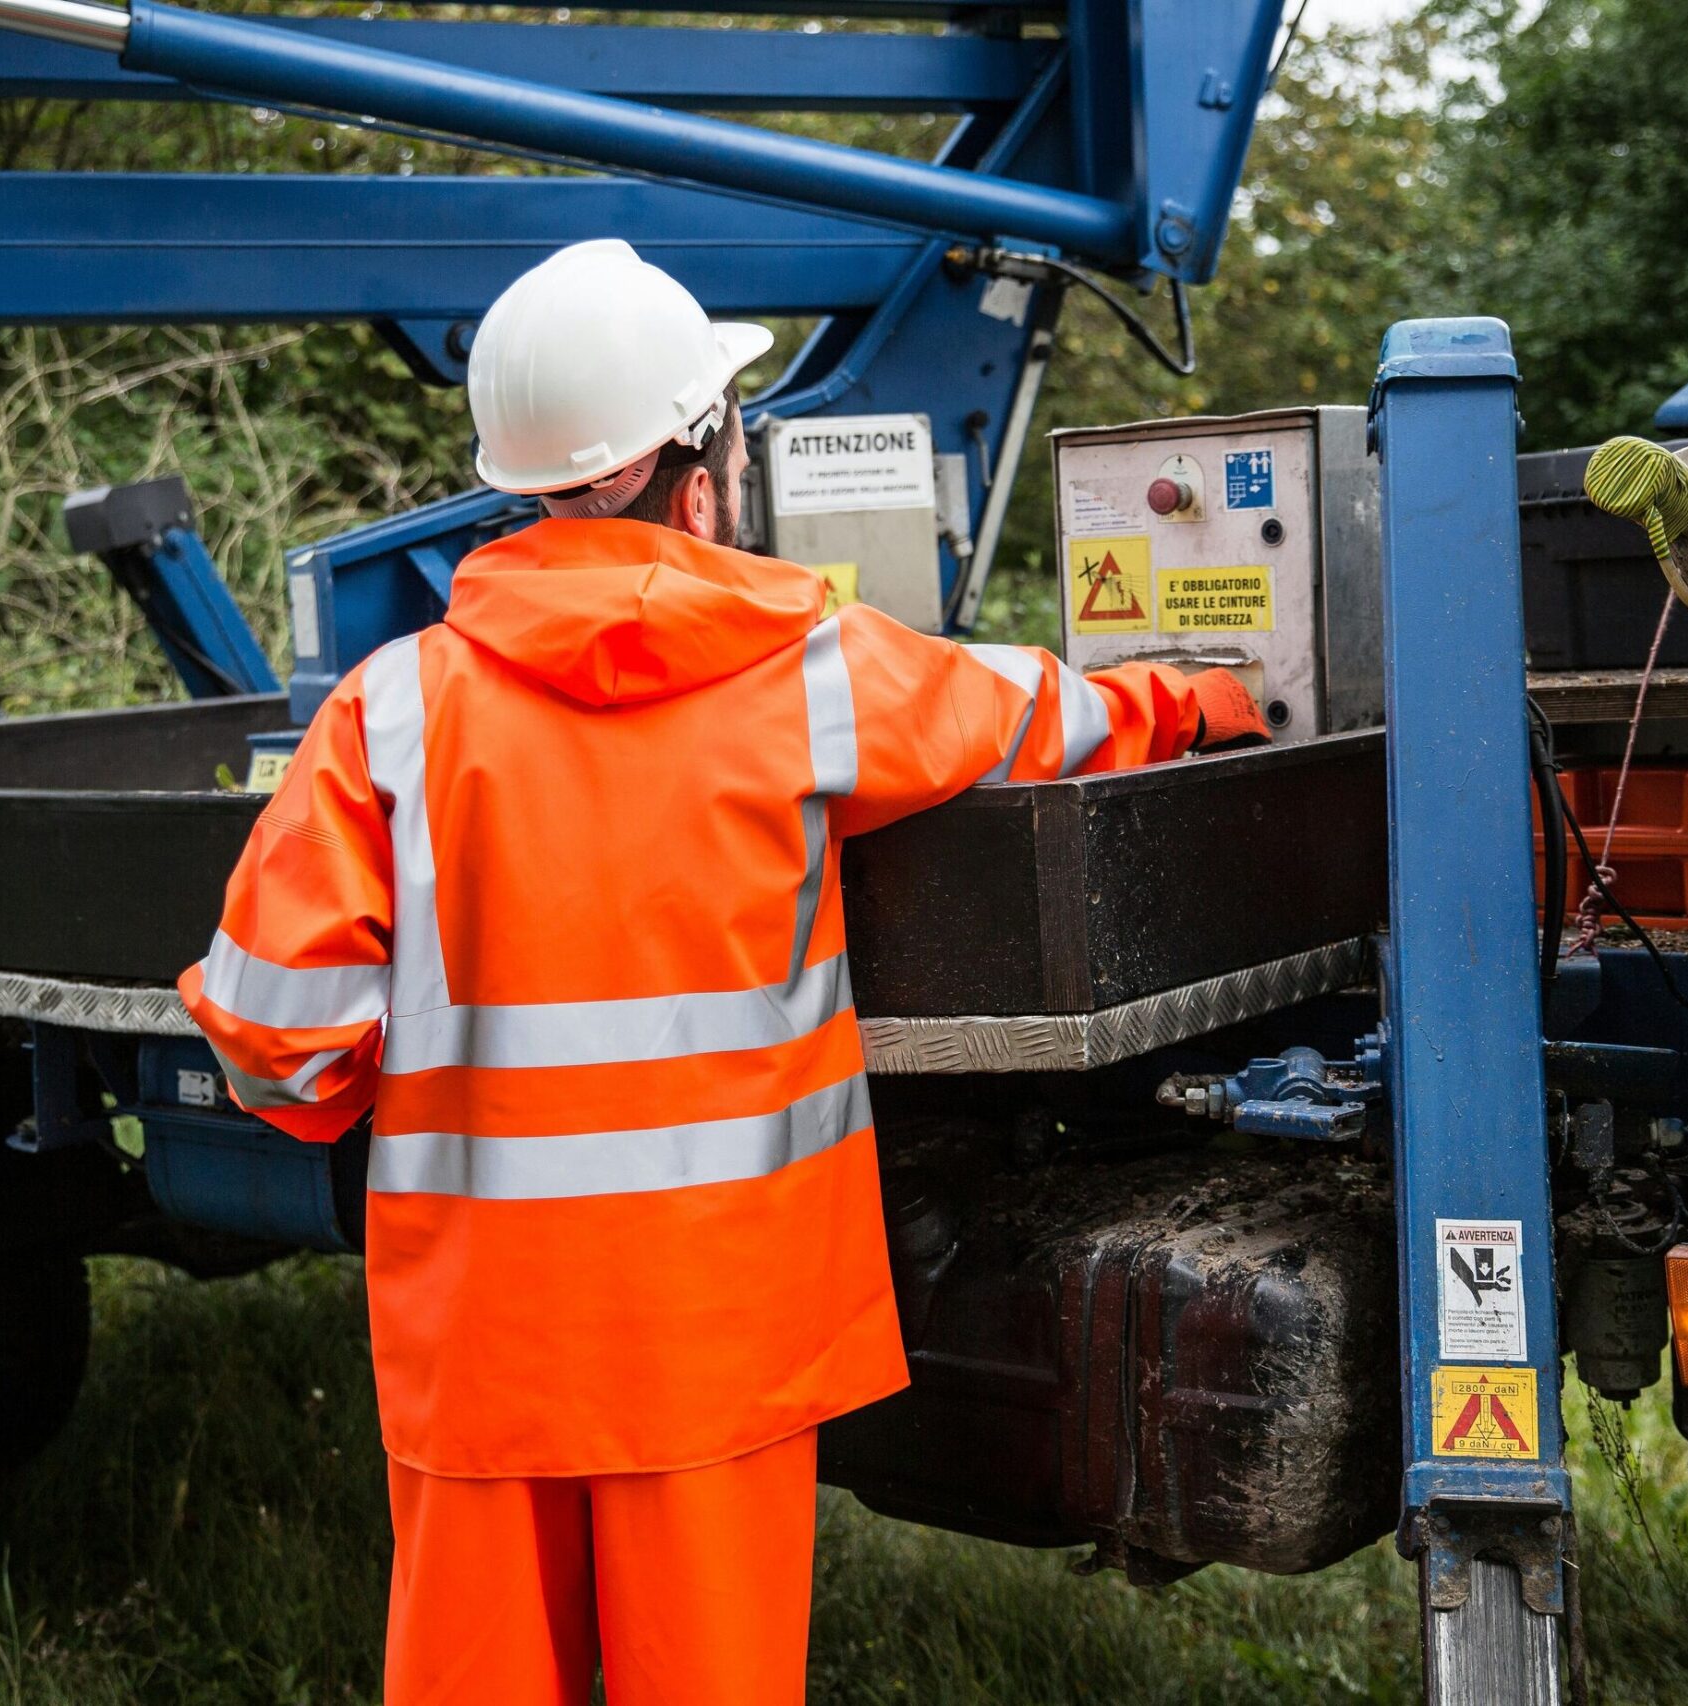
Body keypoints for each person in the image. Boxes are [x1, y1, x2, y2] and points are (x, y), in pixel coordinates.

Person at [179, 238, 1273, 1706]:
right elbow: (1038, 717)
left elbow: (269, 1034)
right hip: (719, 1345)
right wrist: (1201, 699)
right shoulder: (812, 675)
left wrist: (375, 1106)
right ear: (698, 480)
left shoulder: (389, 718)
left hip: (484, 1349)